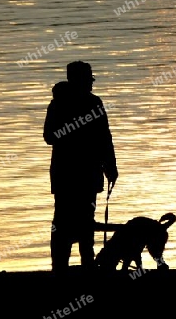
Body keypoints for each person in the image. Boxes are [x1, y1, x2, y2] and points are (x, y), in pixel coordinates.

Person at [43, 61, 118, 274]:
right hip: (77, 174)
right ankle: (69, 268)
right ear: (80, 81)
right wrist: (109, 166)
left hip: (71, 174)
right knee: (70, 221)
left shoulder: (64, 104)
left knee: (77, 221)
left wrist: (110, 166)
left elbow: (104, 137)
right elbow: (49, 137)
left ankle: (75, 268)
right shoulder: (68, 104)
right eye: (88, 81)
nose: (91, 85)